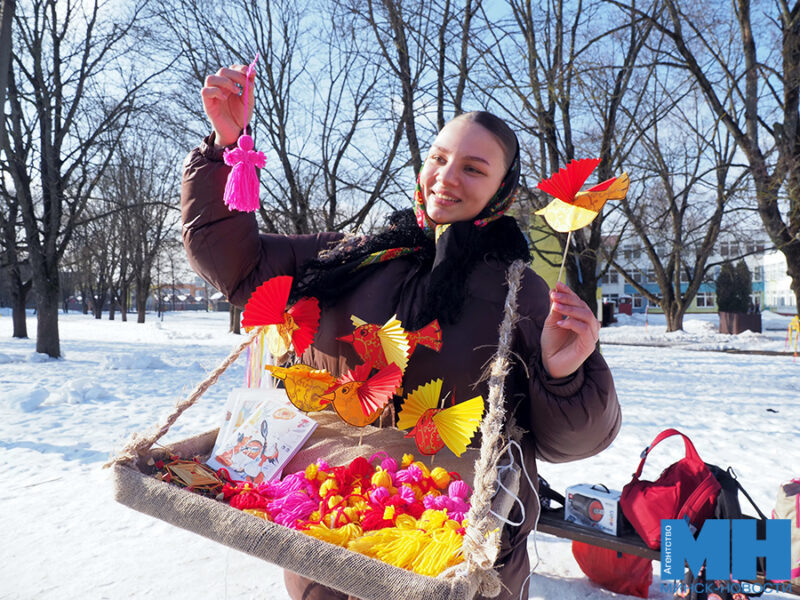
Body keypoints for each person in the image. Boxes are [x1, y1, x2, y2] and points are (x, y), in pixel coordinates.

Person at [182, 64, 621, 600]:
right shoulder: (349, 256)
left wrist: (565, 373)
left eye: (473, 169)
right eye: (438, 158)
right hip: (332, 547)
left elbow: (570, 440)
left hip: (461, 567)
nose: (446, 177)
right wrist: (224, 147)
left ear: (502, 189)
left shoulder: (522, 295)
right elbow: (239, 267)